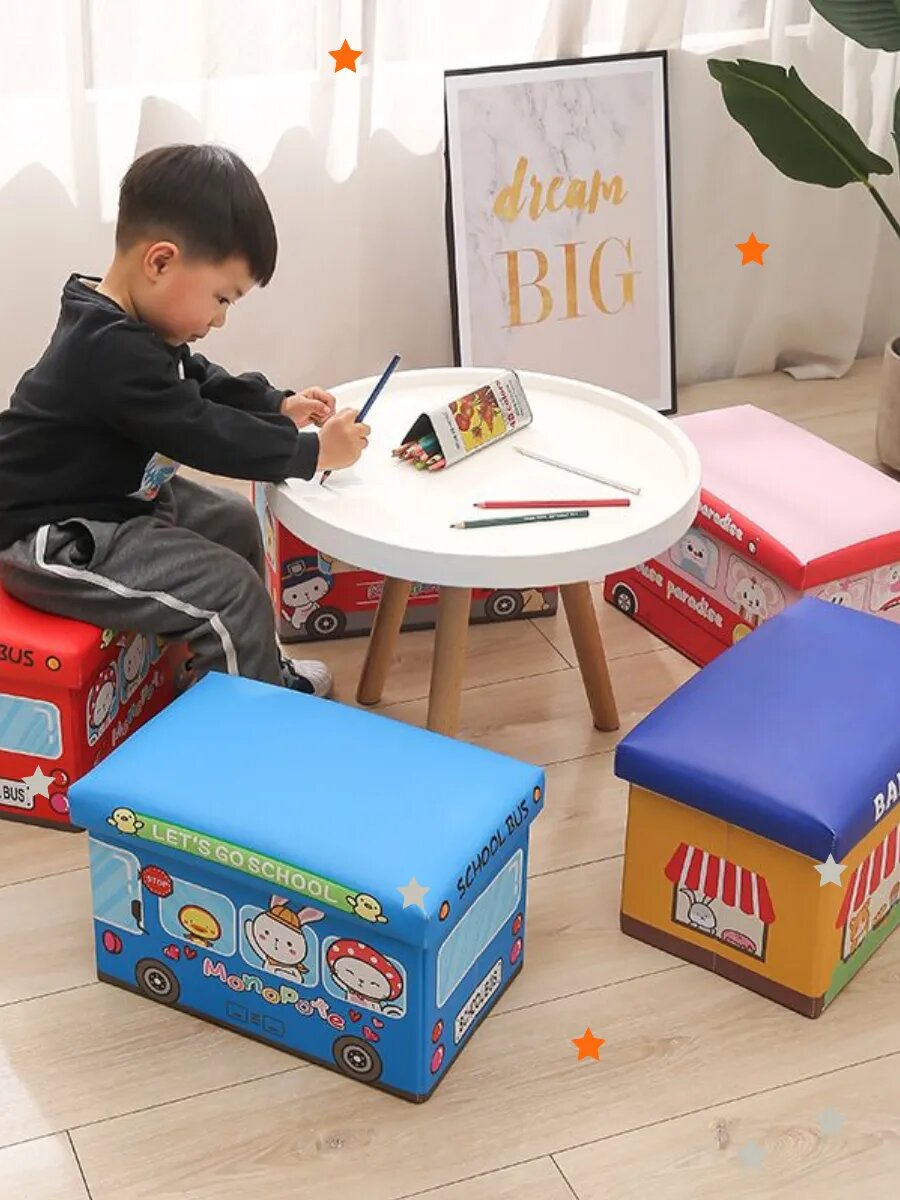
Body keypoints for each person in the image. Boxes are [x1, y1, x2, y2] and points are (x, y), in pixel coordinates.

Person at [0, 143, 371, 696]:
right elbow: (203, 432)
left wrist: (274, 404)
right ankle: (251, 733)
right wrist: (313, 453)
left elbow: (194, 378)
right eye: (222, 298)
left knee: (236, 520)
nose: (220, 320)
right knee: (231, 591)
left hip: (115, 496)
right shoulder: (105, 350)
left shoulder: (131, 326)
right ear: (160, 262)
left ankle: (256, 672)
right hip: (56, 532)